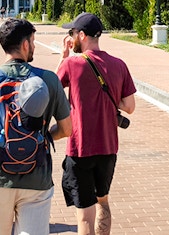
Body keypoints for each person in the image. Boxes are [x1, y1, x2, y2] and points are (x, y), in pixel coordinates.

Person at [56, 12, 136, 235]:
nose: (71, 37)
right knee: (103, 202)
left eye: (72, 33)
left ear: (81, 35)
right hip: (108, 148)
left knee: (84, 216)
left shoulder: (72, 64)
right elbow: (129, 106)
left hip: (80, 148)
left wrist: (63, 56)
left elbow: (50, 90)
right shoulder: (119, 65)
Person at [0, 17, 72, 235]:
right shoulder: (49, 80)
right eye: (32, 41)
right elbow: (67, 129)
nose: (33, 46)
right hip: (36, 176)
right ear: (25, 45)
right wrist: (46, 135)